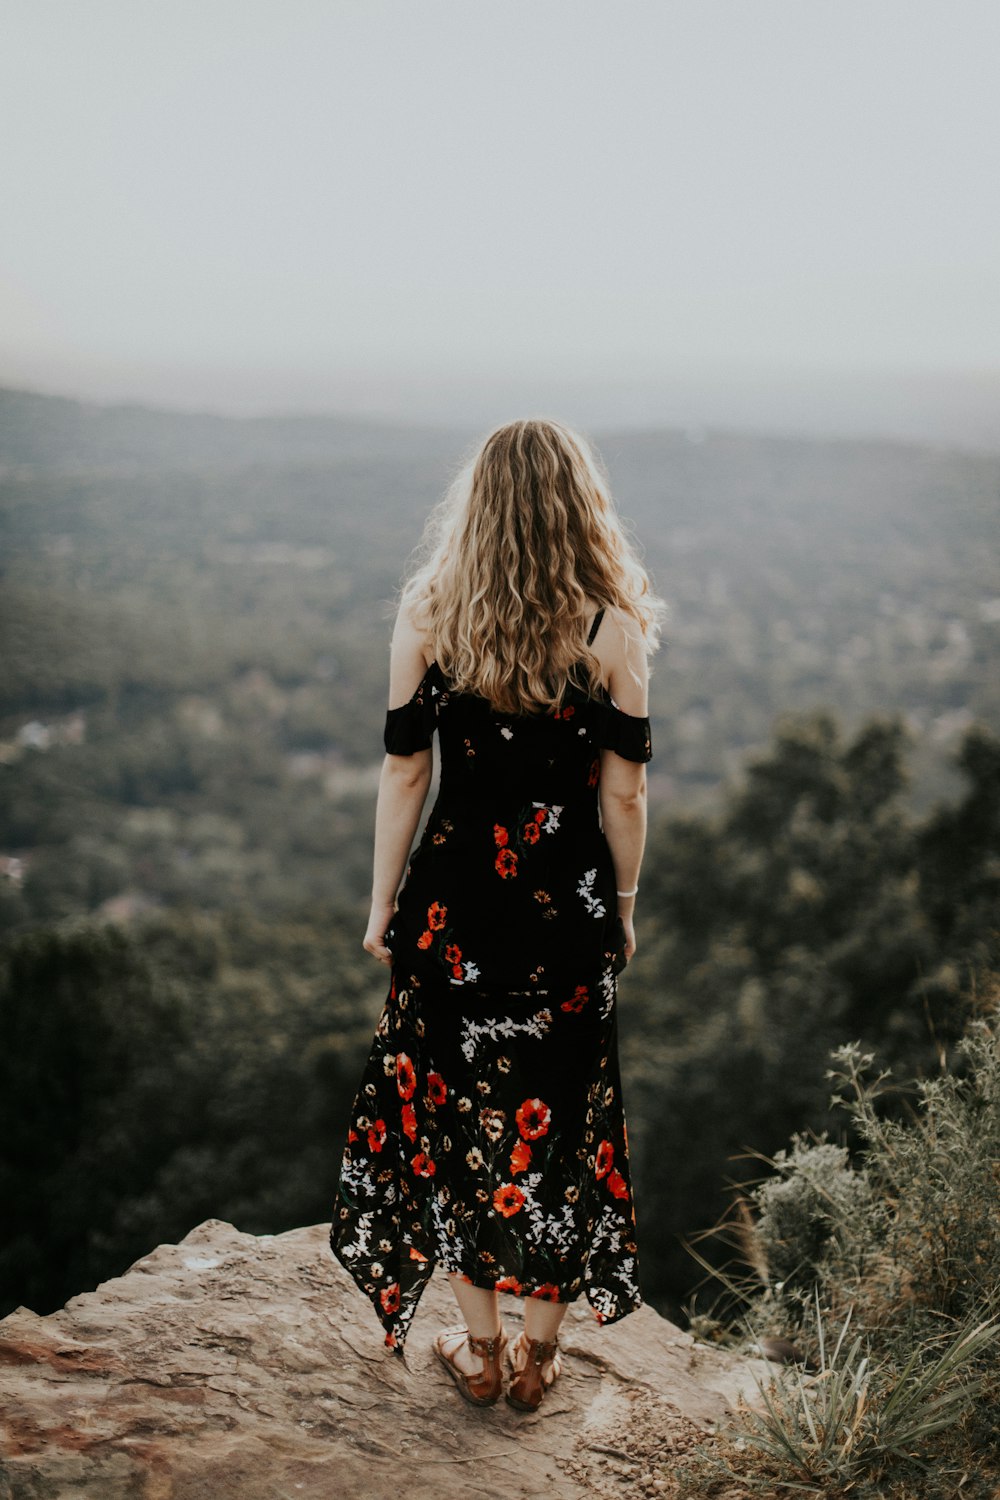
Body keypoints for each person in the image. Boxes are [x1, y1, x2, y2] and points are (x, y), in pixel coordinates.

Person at [329, 417, 664, 1411]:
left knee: (455, 1110)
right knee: (556, 1118)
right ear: (578, 505)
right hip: (568, 913)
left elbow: (404, 769)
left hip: (453, 910)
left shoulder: (431, 614)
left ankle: (476, 1349)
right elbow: (625, 797)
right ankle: (540, 1357)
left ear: (475, 507)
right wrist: (626, 909)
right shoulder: (612, 630)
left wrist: (383, 900)